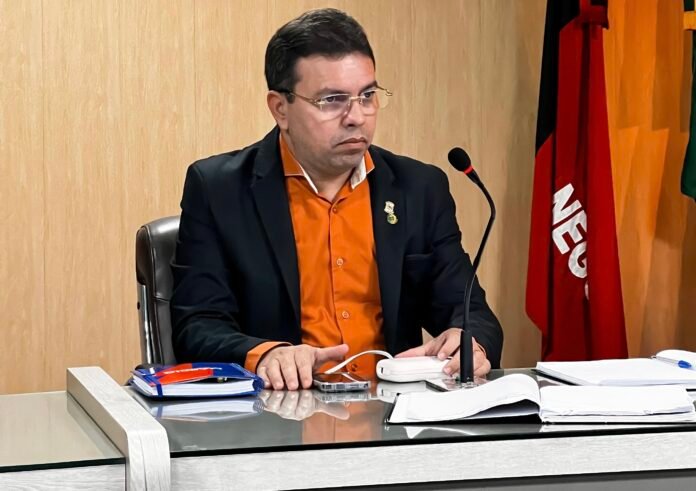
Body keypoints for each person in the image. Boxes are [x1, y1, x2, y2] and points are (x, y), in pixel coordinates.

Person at [170, 8, 503, 390]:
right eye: (332, 100)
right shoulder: (219, 190)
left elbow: (471, 312)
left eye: (367, 96)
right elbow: (197, 325)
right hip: (279, 411)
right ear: (280, 109)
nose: (356, 116)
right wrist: (265, 354)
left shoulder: (418, 188)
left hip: (393, 412)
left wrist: (469, 342)